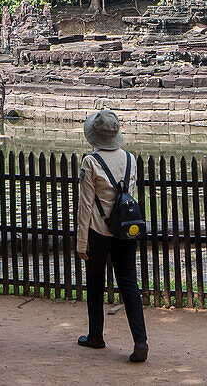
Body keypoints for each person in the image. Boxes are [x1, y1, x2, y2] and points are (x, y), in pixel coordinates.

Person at [75, 109, 148, 363]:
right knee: (129, 284)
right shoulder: (130, 159)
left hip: (98, 231)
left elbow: (85, 206)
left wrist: (81, 242)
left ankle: (95, 336)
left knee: (95, 283)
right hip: (125, 230)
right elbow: (130, 196)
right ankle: (141, 340)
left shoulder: (91, 162)